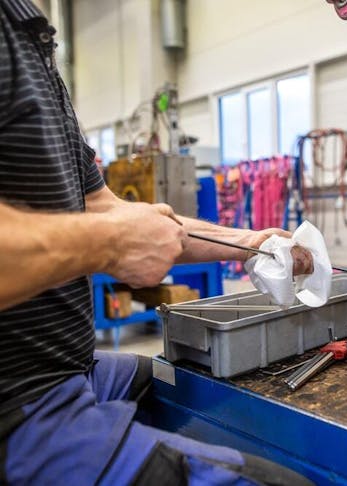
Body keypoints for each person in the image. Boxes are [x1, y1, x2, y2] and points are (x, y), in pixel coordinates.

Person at [0, 1, 314, 484]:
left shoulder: (27, 33)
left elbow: (101, 207)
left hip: (70, 369)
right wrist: (109, 243)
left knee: (188, 385)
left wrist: (247, 241)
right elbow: (108, 228)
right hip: (19, 405)